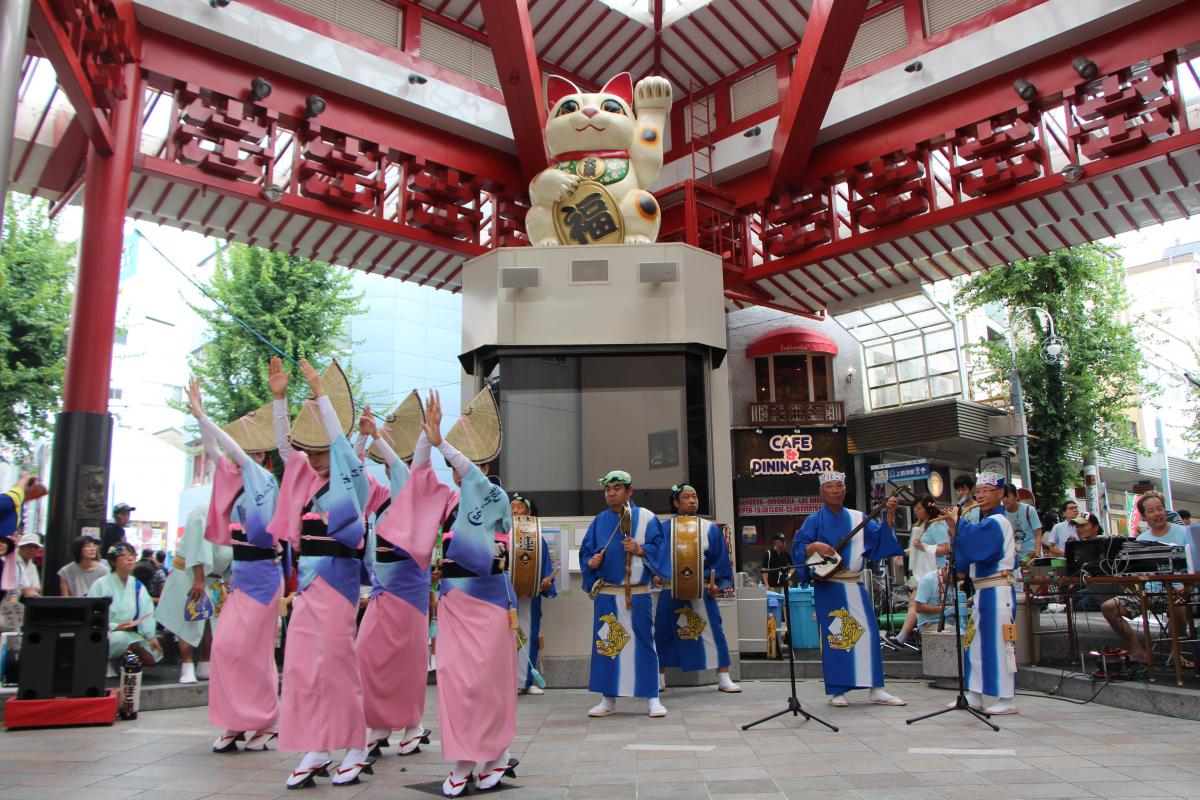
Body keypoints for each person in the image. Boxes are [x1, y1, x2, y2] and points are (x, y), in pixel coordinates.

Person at [380, 388, 519, 797]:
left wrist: (443, 442)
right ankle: (463, 758)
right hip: (455, 604)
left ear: (485, 460)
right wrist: (427, 435)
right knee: (455, 682)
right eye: (453, 460)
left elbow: (475, 481)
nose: (456, 467)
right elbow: (416, 477)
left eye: (461, 458)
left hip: (491, 604)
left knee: (485, 682)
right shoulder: (448, 500)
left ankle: (495, 754)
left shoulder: (496, 496)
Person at [267, 357, 372, 789]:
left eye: (318, 446)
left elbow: (339, 443)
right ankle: (317, 745)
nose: (308, 454)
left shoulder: (354, 476)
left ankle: (355, 746)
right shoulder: (305, 478)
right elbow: (286, 450)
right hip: (308, 585)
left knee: (335, 667)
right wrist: (278, 399)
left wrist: (321, 392)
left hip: (338, 584)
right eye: (306, 449)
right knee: (302, 667)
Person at [187, 378, 284, 754]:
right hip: (242, 579)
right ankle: (238, 722)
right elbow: (215, 449)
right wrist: (200, 419)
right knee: (231, 650)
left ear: (264, 457)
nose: (247, 456)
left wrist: (203, 414)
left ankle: (263, 721)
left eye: (256, 452)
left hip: (263, 576)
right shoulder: (234, 479)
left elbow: (233, 451)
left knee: (243, 651)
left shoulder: (265, 480)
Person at [354, 404, 434, 759]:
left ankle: (412, 725)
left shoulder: (417, 494)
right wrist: (360, 436)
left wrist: (376, 437)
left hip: (410, 586)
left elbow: (405, 468)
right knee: (367, 654)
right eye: (386, 463)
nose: (390, 468)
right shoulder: (380, 496)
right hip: (382, 588)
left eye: (394, 463)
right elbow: (350, 473)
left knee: (409, 659)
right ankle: (380, 723)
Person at [792, 471, 906, 707]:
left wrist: (891, 513)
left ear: (845, 489)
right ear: (821, 492)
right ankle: (838, 690)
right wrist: (814, 545)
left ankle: (876, 687)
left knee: (869, 634)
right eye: (830, 487)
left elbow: (881, 541)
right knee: (838, 637)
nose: (835, 490)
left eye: (839, 486)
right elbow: (799, 546)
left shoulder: (858, 517)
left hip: (855, 584)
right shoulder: (814, 520)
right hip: (829, 587)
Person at [580, 469, 670, 719]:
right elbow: (586, 552)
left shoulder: (647, 518)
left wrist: (640, 549)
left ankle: (653, 697)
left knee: (644, 642)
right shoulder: (599, 521)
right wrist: (591, 563)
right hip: (608, 593)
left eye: (617, 488)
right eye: (607, 489)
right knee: (608, 643)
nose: (611, 493)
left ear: (629, 491)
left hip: (638, 593)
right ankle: (608, 698)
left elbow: (660, 549)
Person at [944, 471, 1018, 715]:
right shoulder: (985, 522)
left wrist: (958, 525)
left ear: (1000, 494)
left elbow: (978, 547)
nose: (982, 495)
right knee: (973, 642)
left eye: (988, 491)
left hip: (998, 589)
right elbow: (969, 548)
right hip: (984, 590)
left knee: (1000, 643)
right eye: (979, 491)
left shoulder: (998, 522)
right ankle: (974, 694)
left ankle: (1006, 698)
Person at [654, 484, 739, 693]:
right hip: (670, 587)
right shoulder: (664, 528)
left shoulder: (709, 528)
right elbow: (654, 556)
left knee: (714, 630)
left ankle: (723, 676)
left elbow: (720, 561)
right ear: (676, 503)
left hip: (700, 587)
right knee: (662, 630)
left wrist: (716, 584)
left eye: (694, 496)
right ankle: (658, 677)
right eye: (686, 497)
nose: (692, 500)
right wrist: (655, 574)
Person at [1100, 493, 1190, 675]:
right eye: (1151, 511)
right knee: (1109, 607)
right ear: (1144, 516)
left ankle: (1176, 653)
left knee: (1179, 606)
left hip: (1180, 592)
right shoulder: (1139, 542)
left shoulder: (1184, 533)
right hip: (1147, 593)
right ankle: (1138, 652)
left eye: (1160, 509)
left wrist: (1185, 585)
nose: (1157, 514)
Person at [157, 505, 231, 683]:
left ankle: (205, 664)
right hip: (190, 575)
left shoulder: (237, 513)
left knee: (211, 624)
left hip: (215, 577)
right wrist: (199, 578)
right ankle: (187, 665)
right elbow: (197, 546)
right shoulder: (203, 511)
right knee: (190, 620)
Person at [509, 492, 556, 696]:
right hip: (505, 597)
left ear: (529, 512)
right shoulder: (502, 535)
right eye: (512, 506)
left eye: (520, 507)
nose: (515, 510)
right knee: (504, 637)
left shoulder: (537, 539)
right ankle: (504, 681)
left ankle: (526, 680)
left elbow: (546, 569)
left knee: (528, 635)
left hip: (528, 597)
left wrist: (547, 581)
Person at [888, 493, 949, 649]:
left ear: (928, 508)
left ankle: (902, 637)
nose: (916, 510)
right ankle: (913, 636)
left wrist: (925, 548)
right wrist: (903, 553)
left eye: (919, 508)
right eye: (915, 507)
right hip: (923, 571)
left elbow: (947, 548)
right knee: (916, 604)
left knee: (916, 603)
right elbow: (916, 547)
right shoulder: (920, 525)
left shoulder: (937, 525)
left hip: (936, 570)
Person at [88, 542, 162, 667]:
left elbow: (147, 611)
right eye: (123, 556)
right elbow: (92, 615)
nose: (130, 558)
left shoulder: (137, 585)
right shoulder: (101, 584)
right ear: (113, 562)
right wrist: (114, 627)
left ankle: (124, 655)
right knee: (120, 639)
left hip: (130, 632)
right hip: (108, 632)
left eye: (132, 555)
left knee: (154, 655)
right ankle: (122, 655)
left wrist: (151, 636)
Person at [1002, 484, 1042, 564]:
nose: (1005, 500)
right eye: (1003, 497)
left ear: (1016, 496)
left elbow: (1038, 534)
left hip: (1031, 555)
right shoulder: (1001, 513)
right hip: (1013, 558)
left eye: (1008, 496)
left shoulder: (1029, 510)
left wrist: (1036, 556)